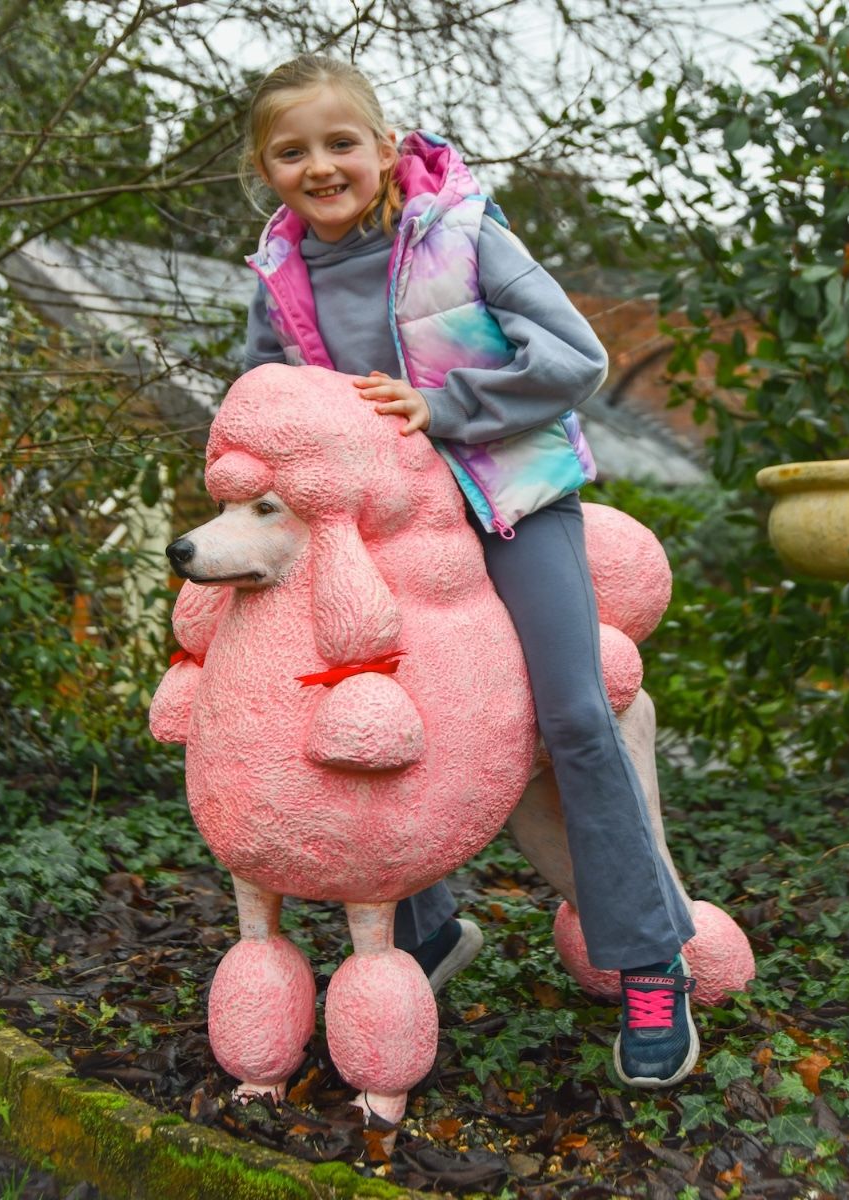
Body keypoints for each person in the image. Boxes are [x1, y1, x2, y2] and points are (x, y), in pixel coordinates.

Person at [240, 53, 699, 1088]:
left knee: (576, 714)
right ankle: (426, 926)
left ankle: (648, 956)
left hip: (512, 507)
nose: (320, 165)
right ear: (265, 167)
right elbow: (268, 401)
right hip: (391, 533)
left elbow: (574, 357)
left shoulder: (458, 233)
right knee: (367, 715)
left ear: (384, 147)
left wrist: (442, 406)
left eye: (340, 142)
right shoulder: (278, 271)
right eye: (292, 150)